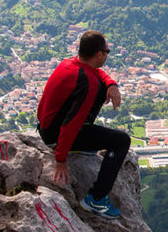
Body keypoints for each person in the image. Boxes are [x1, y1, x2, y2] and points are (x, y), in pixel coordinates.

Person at [37, 30, 130, 219]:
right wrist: (60, 160)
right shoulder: (87, 83)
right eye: (107, 51)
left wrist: (111, 85)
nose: (107, 54)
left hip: (46, 127)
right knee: (121, 141)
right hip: (57, 135)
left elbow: (97, 72)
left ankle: (82, 144)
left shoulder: (70, 63)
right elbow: (71, 124)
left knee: (100, 85)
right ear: (99, 54)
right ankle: (96, 198)